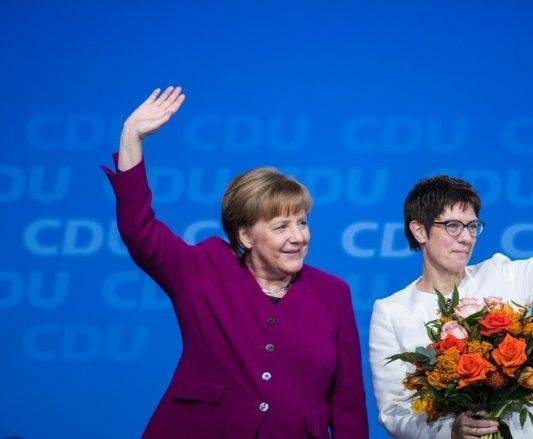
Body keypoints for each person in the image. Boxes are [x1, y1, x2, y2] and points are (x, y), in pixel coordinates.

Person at [103, 86, 368, 438]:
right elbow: (139, 230)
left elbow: (346, 399)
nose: (298, 237)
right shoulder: (202, 270)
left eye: (302, 223)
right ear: (245, 236)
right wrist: (131, 139)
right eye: (281, 227)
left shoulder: (332, 293)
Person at [369, 119, 533, 439]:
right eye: (452, 226)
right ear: (419, 231)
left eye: (472, 227)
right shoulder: (392, 311)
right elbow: (395, 411)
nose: (466, 238)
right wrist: (450, 430)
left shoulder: (502, 276)